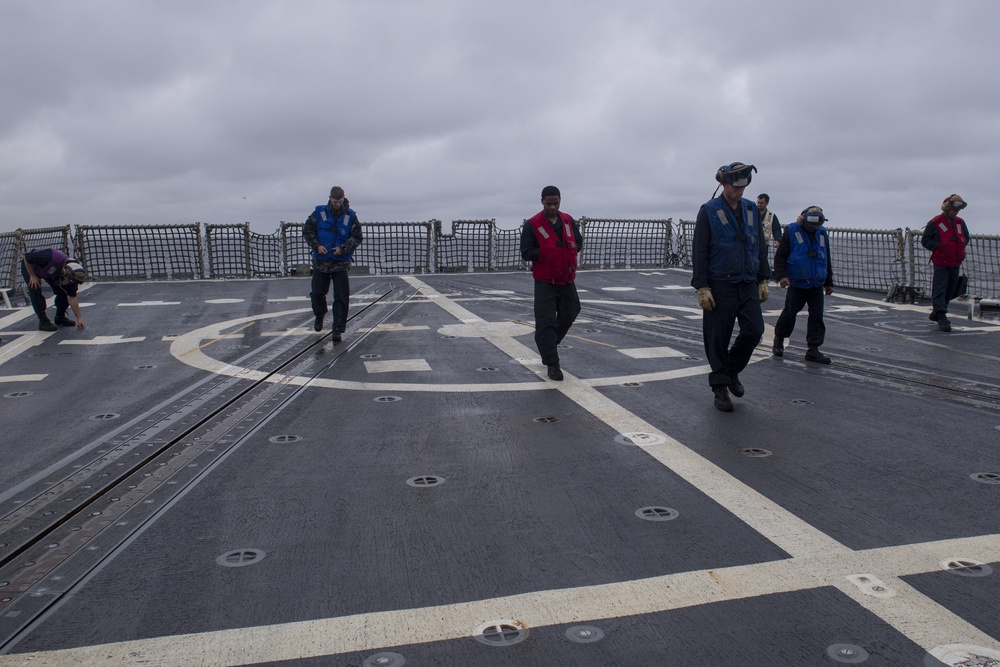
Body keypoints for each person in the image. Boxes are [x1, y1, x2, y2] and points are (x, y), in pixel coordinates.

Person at [692, 162, 770, 412]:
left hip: (746, 281)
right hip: (720, 284)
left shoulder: (750, 209)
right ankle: (720, 388)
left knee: (754, 330)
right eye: (735, 187)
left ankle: (731, 370)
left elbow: (759, 245)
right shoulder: (709, 211)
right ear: (723, 184)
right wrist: (702, 287)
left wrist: (763, 278)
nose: (739, 192)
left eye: (743, 188)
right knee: (717, 339)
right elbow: (700, 250)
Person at [520, 185, 583, 381]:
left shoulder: (568, 220)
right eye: (549, 204)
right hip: (545, 281)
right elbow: (526, 251)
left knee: (572, 311)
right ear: (542, 202)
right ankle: (553, 365)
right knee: (545, 322)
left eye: (556, 203)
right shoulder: (532, 224)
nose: (553, 207)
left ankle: (548, 342)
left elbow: (578, 242)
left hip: (566, 279)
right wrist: (546, 254)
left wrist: (570, 250)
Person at [772, 206, 834, 363]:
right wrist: (782, 276)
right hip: (798, 283)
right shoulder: (792, 231)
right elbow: (781, 256)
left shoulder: (822, 233)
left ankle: (813, 349)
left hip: (815, 283)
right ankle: (779, 339)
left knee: (816, 316)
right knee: (789, 313)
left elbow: (826, 258)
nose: (813, 228)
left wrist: (828, 282)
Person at [303, 186, 363, 342]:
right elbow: (307, 230)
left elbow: (357, 237)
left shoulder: (350, 216)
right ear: (330, 198)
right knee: (317, 294)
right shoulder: (319, 213)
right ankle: (320, 315)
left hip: (340, 263)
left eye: (340, 201)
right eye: (335, 201)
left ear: (344, 199)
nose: (337, 204)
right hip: (321, 261)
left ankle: (337, 329)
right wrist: (317, 245)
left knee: (341, 297)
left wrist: (343, 249)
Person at [921, 194, 969, 332]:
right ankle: (941, 315)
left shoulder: (960, 222)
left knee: (951, 290)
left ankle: (937, 312)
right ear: (947, 207)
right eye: (954, 209)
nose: (956, 212)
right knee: (940, 288)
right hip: (941, 262)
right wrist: (940, 246)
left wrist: (959, 247)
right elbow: (925, 241)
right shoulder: (935, 222)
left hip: (955, 261)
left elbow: (966, 237)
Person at [22, 248, 87, 331]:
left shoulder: (72, 277)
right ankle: (43, 321)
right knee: (35, 289)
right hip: (31, 267)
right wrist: (32, 275)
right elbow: (27, 257)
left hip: (50, 273)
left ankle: (60, 317)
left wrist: (79, 318)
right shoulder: (49, 257)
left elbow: (72, 297)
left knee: (64, 292)